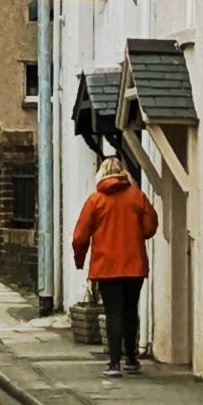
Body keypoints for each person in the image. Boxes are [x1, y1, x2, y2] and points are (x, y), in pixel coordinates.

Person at [70, 149, 159, 374]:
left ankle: (114, 363)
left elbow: (80, 236)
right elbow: (150, 227)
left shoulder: (95, 200)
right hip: (134, 265)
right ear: (122, 173)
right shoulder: (136, 196)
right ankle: (131, 358)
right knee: (130, 310)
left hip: (106, 267)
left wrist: (80, 260)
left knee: (113, 313)